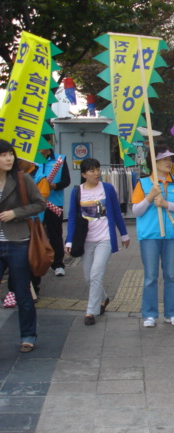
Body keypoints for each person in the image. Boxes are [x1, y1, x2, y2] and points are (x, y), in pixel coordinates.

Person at [64, 158, 130, 326]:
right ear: (84, 174)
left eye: (97, 169)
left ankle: (90, 312)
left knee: (96, 274)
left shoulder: (107, 188)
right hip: (86, 240)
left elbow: (116, 212)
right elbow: (72, 217)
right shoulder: (77, 191)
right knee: (89, 277)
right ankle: (104, 298)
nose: (96, 173)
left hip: (105, 239)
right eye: (92, 171)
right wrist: (69, 240)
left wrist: (124, 234)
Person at [0, 140, 46, 352]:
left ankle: (28, 336)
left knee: (22, 293)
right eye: (3, 155)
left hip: (18, 242)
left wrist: (15, 213)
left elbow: (39, 203)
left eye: (10, 154)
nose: (8, 158)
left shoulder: (21, 178)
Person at [131, 146, 174, 328]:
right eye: (164, 159)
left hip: (171, 236)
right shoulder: (144, 184)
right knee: (151, 276)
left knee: (171, 275)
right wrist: (149, 197)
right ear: (154, 162)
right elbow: (136, 211)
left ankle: (171, 313)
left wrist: (167, 204)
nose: (169, 162)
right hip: (150, 236)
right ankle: (150, 314)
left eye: (170, 159)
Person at [39, 146, 70, 277]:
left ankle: (58, 264)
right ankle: (38, 263)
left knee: (55, 234)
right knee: (37, 234)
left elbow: (66, 181)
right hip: (37, 204)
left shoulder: (60, 160)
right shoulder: (32, 160)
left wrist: (54, 186)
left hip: (54, 203)